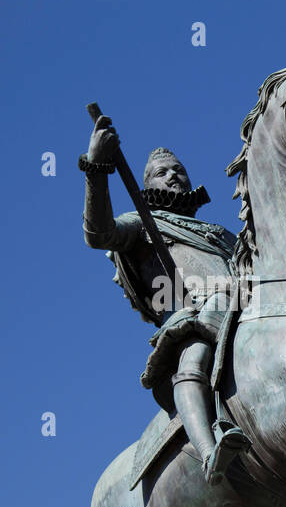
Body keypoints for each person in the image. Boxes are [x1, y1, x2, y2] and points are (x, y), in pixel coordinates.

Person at [81, 114, 249, 484]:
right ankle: (210, 450)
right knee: (195, 356)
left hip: (247, 305)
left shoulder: (219, 233)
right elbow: (99, 233)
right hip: (194, 316)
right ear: (147, 185)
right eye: (162, 172)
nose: (173, 175)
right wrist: (96, 168)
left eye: (178, 170)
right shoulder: (140, 224)